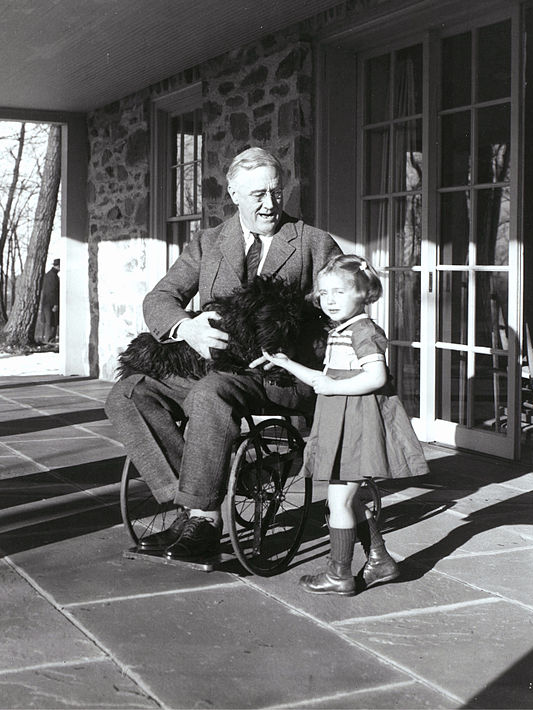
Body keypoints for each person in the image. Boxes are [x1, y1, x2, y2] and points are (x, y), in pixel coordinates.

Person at [105, 148, 341, 560]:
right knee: (128, 393)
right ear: (233, 193)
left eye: (276, 192)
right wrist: (187, 328)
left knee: (209, 394)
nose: (270, 204)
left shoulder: (313, 244)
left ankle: (205, 519)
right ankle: (192, 503)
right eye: (257, 195)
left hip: (276, 375)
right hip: (214, 366)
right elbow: (160, 297)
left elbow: (341, 317)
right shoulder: (210, 241)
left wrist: (297, 352)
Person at [254, 254, 429, 596]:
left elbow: (376, 377)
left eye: (339, 292)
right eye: (323, 293)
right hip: (342, 422)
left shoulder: (364, 331)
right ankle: (380, 560)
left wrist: (334, 387)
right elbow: (324, 379)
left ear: (363, 293)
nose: (329, 300)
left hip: (356, 426)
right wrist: (285, 362)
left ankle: (339, 574)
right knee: (347, 499)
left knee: (338, 502)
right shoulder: (343, 330)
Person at [40, 258, 60, 343]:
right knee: (51, 323)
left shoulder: (49, 275)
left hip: (46, 303)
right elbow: (52, 291)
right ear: (58, 266)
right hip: (50, 303)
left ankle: (48, 340)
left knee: (49, 322)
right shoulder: (53, 276)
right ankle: (49, 341)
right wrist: (55, 304)